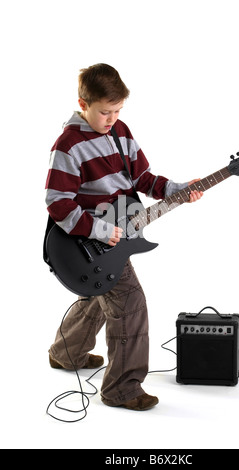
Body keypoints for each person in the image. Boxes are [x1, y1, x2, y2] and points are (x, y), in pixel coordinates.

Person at [45, 63, 203, 411]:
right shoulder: (68, 145)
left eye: (118, 110)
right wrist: (100, 229)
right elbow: (57, 203)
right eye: (105, 112)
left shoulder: (120, 131)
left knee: (101, 293)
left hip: (116, 237)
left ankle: (64, 354)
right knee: (130, 304)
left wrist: (178, 189)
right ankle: (121, 390)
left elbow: (143, 177)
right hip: (85, 241)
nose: (112, 118)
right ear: (82, 104)